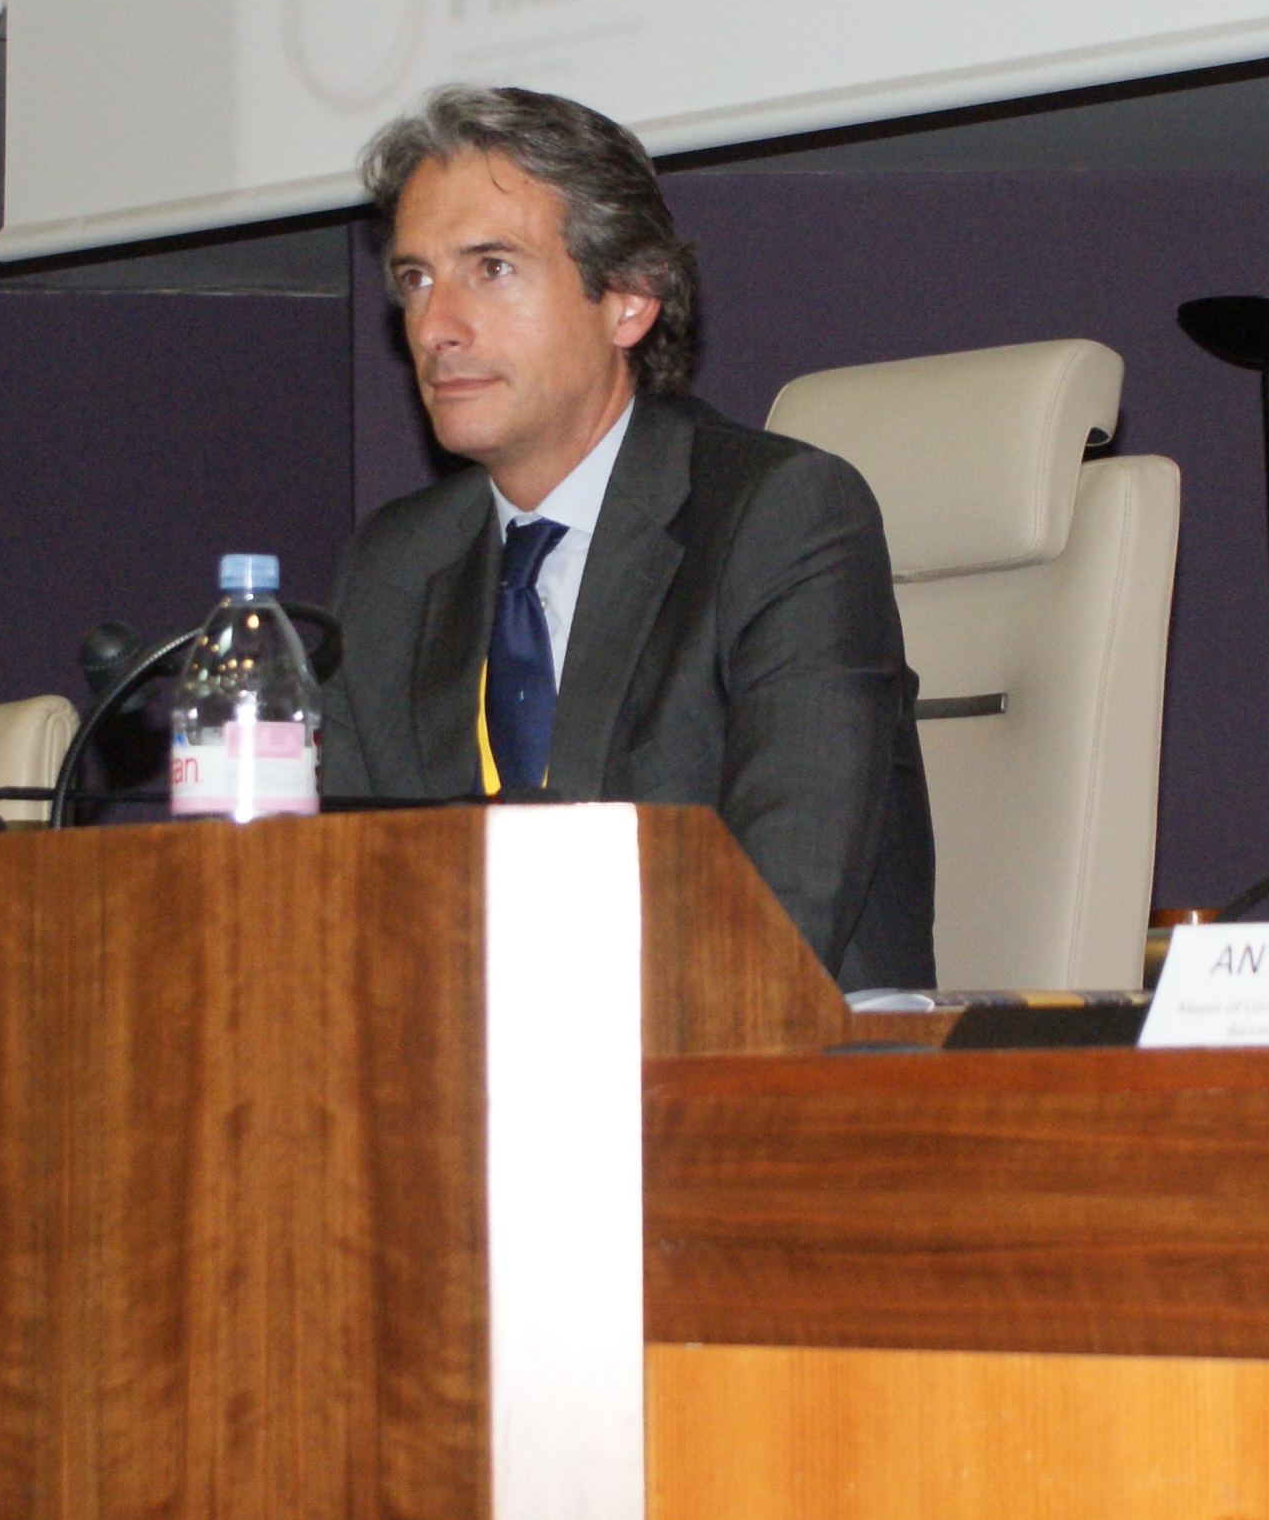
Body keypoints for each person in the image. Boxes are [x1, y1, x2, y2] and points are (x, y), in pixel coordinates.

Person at [322, 85, 935, 989]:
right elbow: (332, 901)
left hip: (766, 1076)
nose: (437, 327)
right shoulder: (396, 566)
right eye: (415, 279)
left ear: (629, 301)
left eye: (491, 268)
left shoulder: (784, 519)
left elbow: (776, 919)